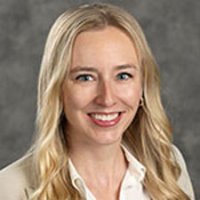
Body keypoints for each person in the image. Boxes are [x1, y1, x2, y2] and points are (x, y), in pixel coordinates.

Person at [0, 3, 195, 200]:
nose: (107, 98)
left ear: (143, 86)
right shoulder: (8, 189)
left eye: (123, 75)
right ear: (57, 90)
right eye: (85, 77)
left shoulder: (169, 167)